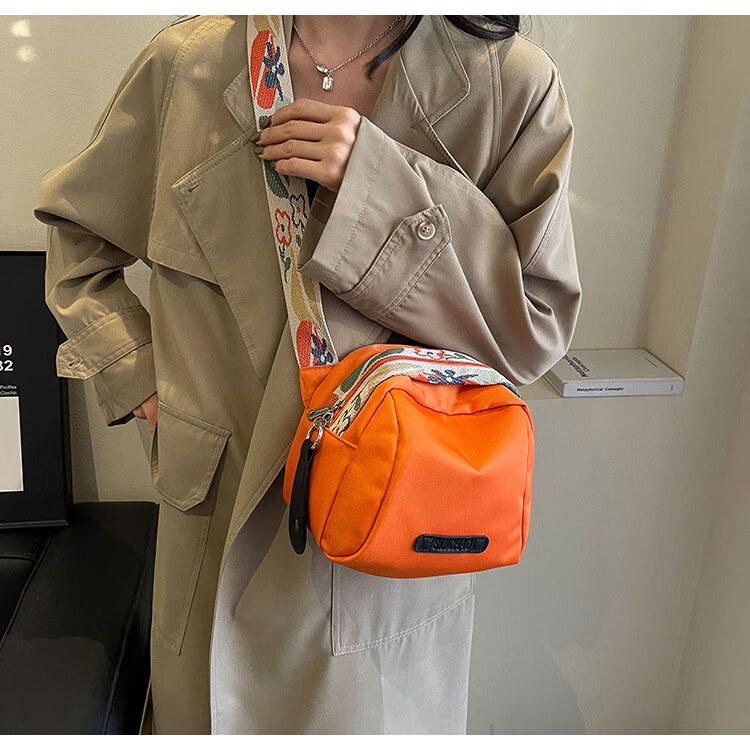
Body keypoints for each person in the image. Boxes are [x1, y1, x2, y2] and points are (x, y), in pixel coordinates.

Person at [34, 15, 582, 734]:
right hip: (213, 531)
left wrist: (381, 189)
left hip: (382, 553)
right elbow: (77, 242)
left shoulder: (508, 84)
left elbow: (535, 327)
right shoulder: (188, 65)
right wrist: (138, 379)